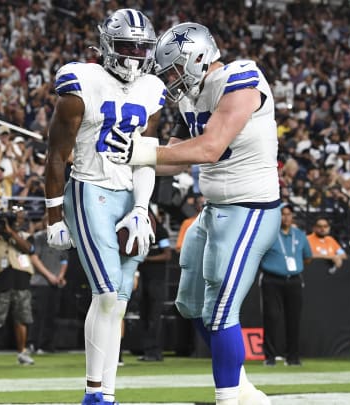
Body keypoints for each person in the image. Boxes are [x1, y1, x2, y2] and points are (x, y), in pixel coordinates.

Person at [105, 22, 280, 405]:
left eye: (173, 69)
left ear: (198, 58)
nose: (171, 79)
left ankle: (229, 398)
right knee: (189, 305)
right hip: (214, 207)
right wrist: (119, 156)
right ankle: (243, 384)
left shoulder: (241, 79)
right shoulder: (192, 96)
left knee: (219, 310)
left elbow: (209, 149)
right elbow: (177, 156)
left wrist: (142, 152)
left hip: (250, 208)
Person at [43, 9, 164, 405]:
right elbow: (57, 155)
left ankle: (107, 393)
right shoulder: (82, 82)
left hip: (129, 192)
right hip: (89, 188)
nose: (133, 55)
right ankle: (94, 393)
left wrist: (142, 208)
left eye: (141, 48)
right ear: (108, 45)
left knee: (120, 299)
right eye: (126, 46)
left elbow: (148, 154)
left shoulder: (151, 88)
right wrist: (53, 215)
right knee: (108, 293)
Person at [0, 211, 57, 365]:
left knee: (21, 319)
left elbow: (28, 249)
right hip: (0, 280)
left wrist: (10, 232)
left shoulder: (23, 235)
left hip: (21, 280)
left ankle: (22, 353)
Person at [259, 203, 312, 366]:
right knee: (272, 317)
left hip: (294, 279)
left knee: (294, 319)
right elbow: (257, 254)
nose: (286, 217)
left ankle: (293, 357)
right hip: (272, 279)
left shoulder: (300, 235)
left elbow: (308, 257)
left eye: (289, 214)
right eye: (282, 214)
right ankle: (270, 357)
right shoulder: (268, 234)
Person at [28, 214, 68, 354]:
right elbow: (34, 259)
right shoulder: (38, 237)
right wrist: (49, 275)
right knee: (37, 315)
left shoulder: (62, 239)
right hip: (40, 283)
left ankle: (46, 345)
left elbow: (64, 260)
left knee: (52, 315)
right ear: (46, 222)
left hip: (55, 284)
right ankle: (33, 344)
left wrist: (60, 276)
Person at [137, 207, 172, 362]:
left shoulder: (161, 232)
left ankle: (156, 351)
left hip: (157, 281)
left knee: (155, 316)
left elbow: (167, 254)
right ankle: (147, 350)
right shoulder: (140, 232)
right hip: (144, 279)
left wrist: (147, 259)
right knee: (144, 314)